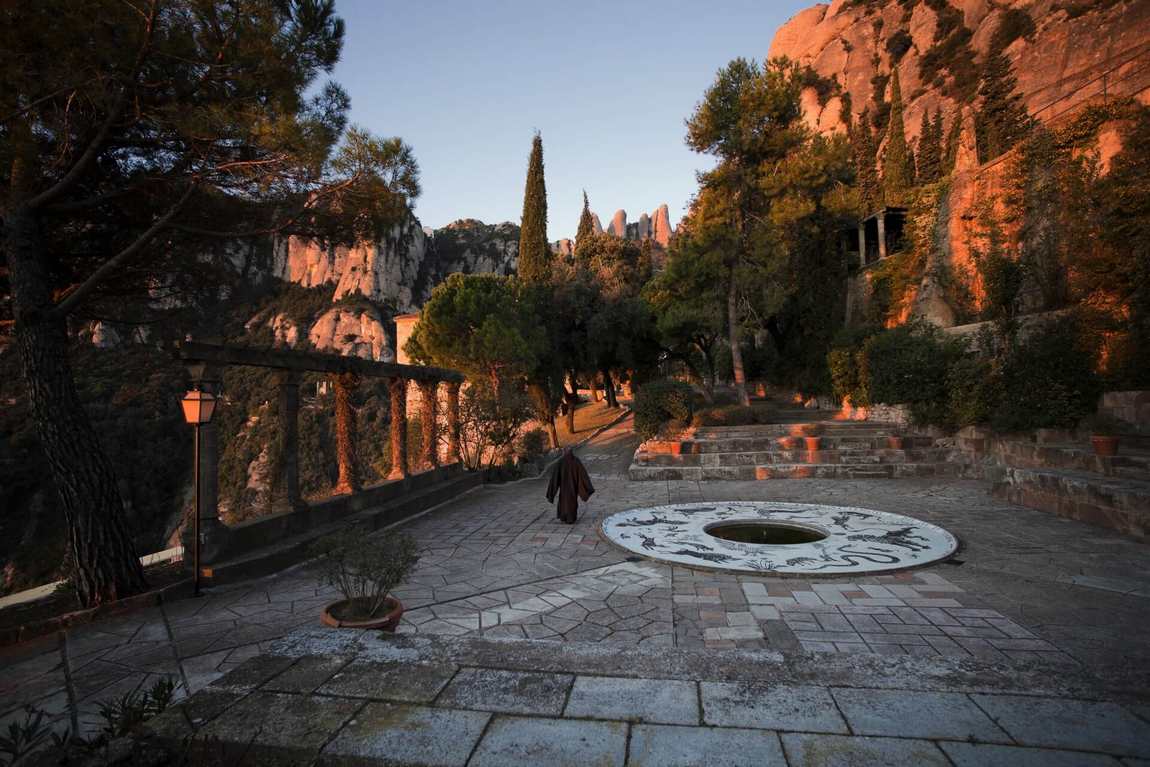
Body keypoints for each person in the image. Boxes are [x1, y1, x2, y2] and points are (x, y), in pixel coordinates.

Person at [546, 448, 594, 524]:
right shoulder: (576, 461)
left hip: (564, 489)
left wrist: (551, 493)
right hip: (573, 488)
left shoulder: (561, 462)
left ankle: (564, 517)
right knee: (572, 502)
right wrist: (586, 488)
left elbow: (555, 478)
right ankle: (571, 518)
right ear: (572, 452)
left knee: (563, 502)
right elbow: (583, 475)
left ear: (564, 452)